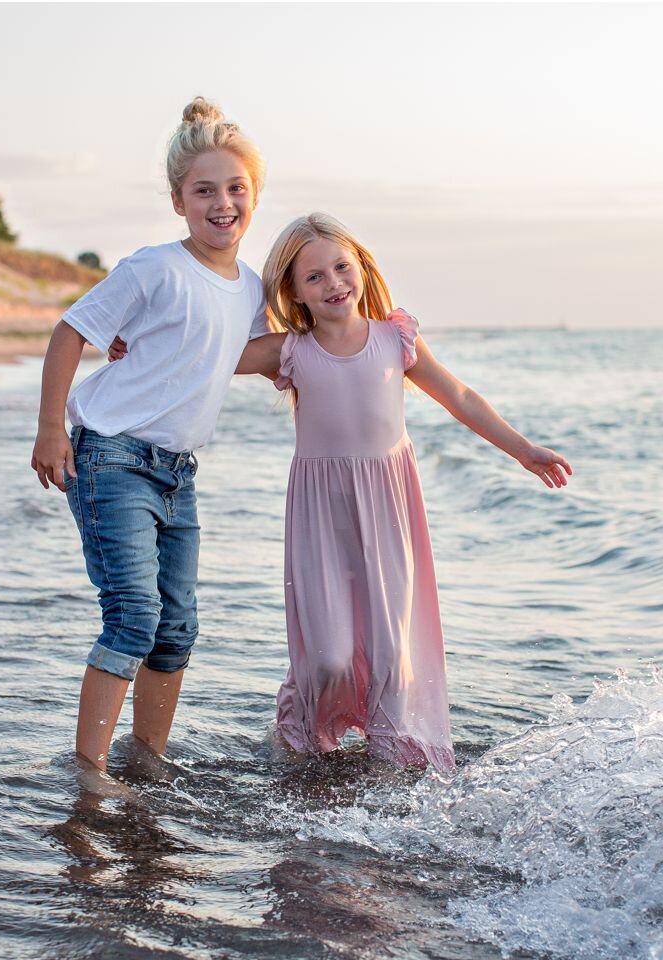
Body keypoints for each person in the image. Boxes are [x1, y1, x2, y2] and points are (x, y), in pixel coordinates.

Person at [235, 213, 572, 772]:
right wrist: (136, 343)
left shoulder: (395, 337)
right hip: (322, 510)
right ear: (292, 291)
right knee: (331, 656)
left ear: (362, 268)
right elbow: (205, 357)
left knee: (392, 649)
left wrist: (523, 449)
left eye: (342, 267)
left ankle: (388, 763)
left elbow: (459, 396)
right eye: (313, 276)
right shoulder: (289, 350)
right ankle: (299, 729)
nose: (333, 283)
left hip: (389, 503)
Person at [30, 97, 268, 779]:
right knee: (134, 613)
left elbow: (239, 354)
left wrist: (341, 348)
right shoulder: (154, 267)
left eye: (235, 189)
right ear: (178, 200)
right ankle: (89, 771)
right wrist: (51, 428)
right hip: (110, 456)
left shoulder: (249, 288)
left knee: (176, 627)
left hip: (178, 473)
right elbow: (72, 331)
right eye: (204, 191)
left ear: (253, 196)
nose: (221, 203)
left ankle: (150, 762)